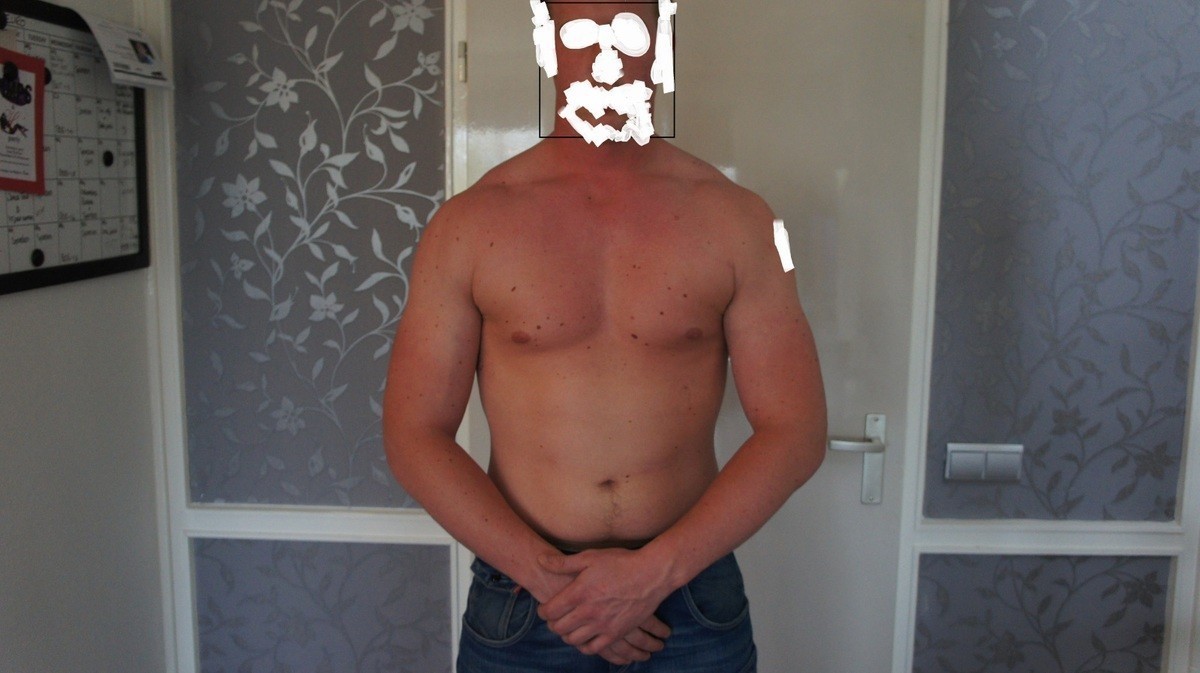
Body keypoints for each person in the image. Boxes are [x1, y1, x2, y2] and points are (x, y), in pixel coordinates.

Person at [383, 2, 826, 671]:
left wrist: (652, 574)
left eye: (627, 30)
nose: (605, 55)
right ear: (546, 45)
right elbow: (413, 434)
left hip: (690, 596)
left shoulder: (745, 222)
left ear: (661, 44)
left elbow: (796, 430)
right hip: (525, 599)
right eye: (580, 33)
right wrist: (553, 582)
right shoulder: (466, 227)